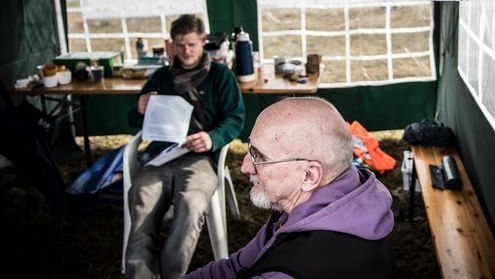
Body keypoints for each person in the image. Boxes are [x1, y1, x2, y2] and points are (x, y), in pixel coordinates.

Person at [184, 97, 395, 279]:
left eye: (259, 156)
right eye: (251, 149)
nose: (245, 166)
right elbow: (235, 267)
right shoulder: (345, 195)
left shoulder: (288, 271)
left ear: (309, 175)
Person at [125, 14, 246, 279]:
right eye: (180, 45)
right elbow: (133, 121)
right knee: (142, 201)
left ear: (203, 41)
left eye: (191, 44)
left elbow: (236, 117)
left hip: (199, 158)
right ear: (172, 45)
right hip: (161, 156)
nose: (186, 51)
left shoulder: (220, 75)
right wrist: (139, 107)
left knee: (192, 204)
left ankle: (172, 274)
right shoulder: (160, 77)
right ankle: (140, 275)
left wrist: (212, 138)